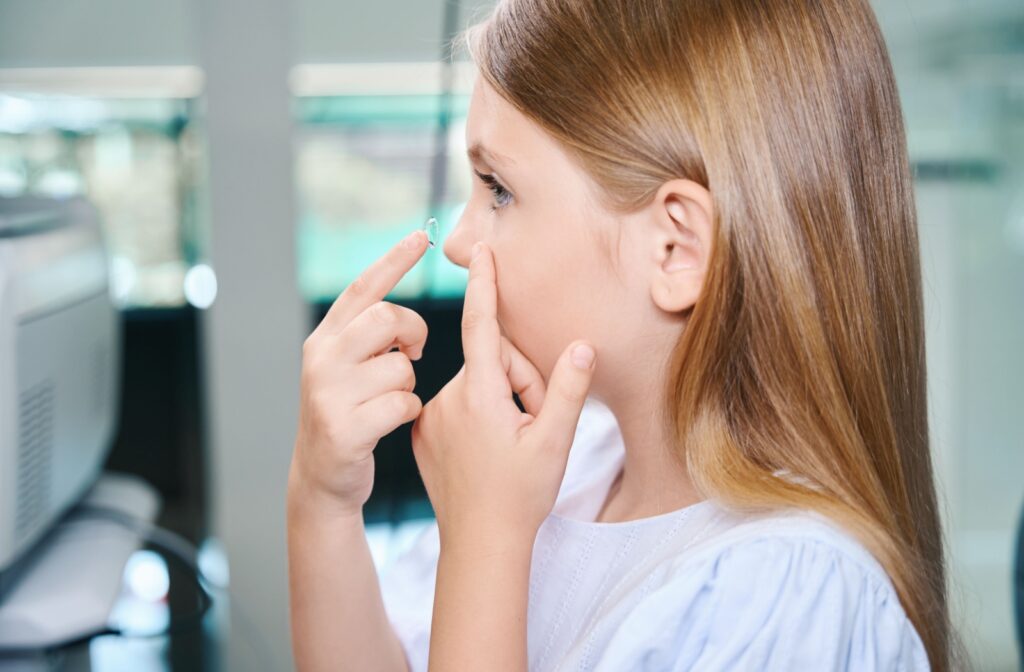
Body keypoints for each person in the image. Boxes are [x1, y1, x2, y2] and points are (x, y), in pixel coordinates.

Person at [286, 0, 972, 670]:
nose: (461, 242)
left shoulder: (785, 598)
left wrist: (485, 542)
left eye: (498, 188)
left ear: (675, 249)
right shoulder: (566, 469)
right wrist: (322, 502)